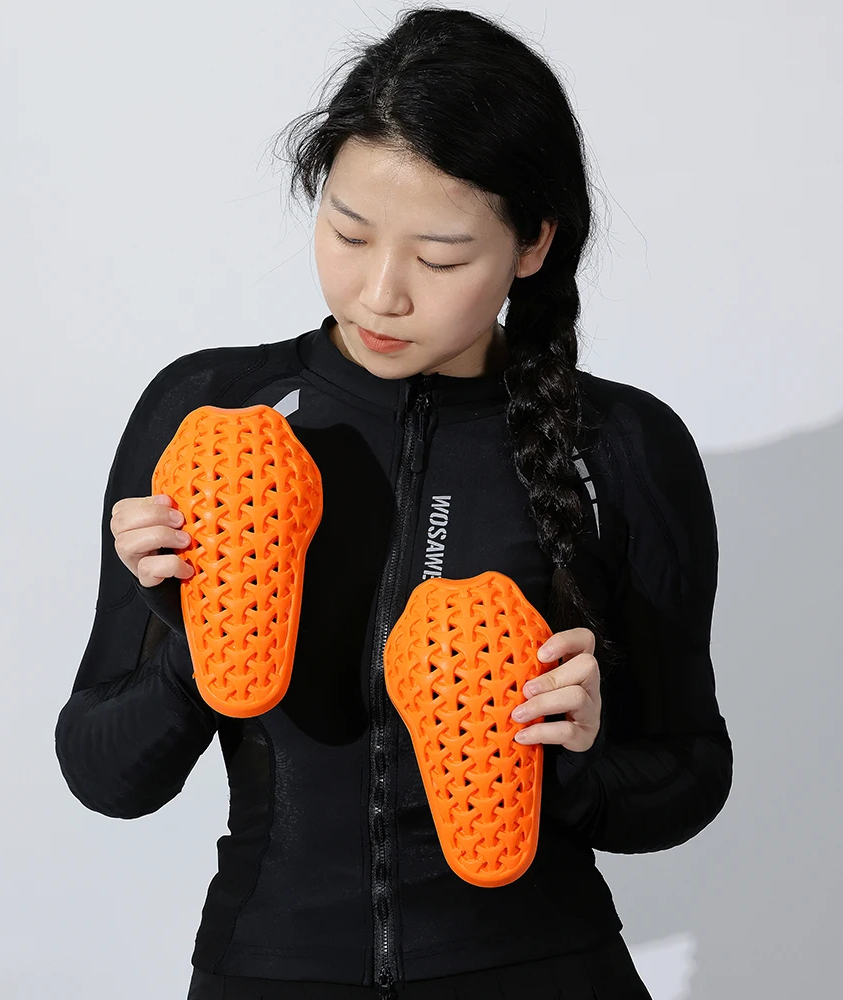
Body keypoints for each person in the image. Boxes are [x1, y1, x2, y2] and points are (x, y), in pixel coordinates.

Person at [54, 7, 733, 998]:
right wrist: (194, 637)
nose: (380, 293)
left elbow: (690, 774)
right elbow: (105, 776)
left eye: (441, 258)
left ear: (532, 244)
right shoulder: (214, 414)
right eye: (347, 231)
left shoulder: (620, 445)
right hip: (270, 968)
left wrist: (574, 763)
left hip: (538, 970)